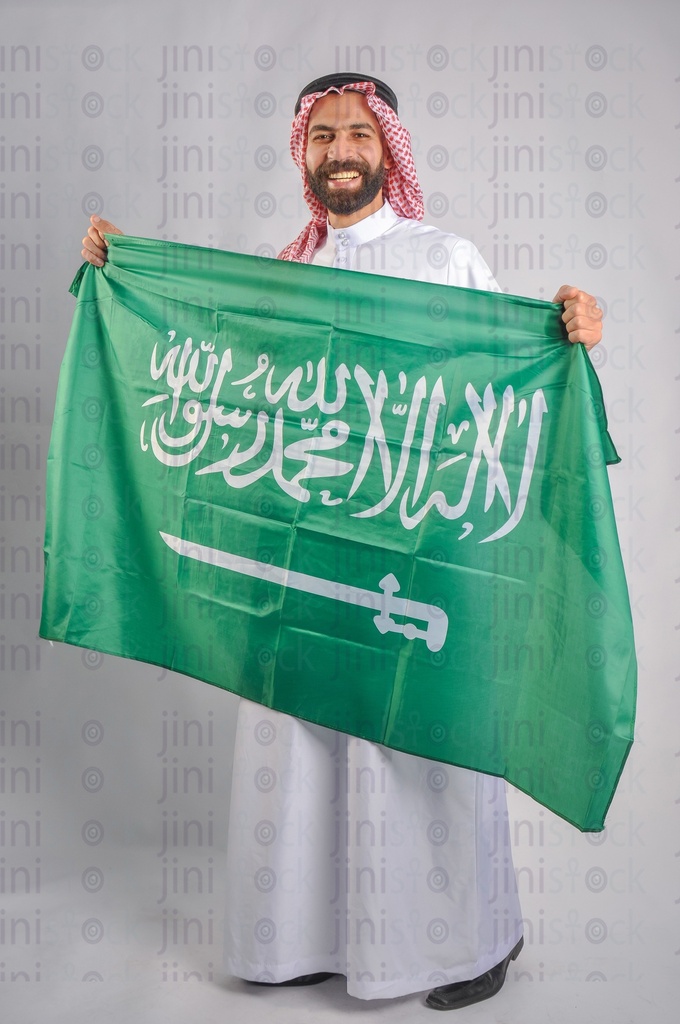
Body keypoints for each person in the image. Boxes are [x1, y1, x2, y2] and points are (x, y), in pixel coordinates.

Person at [81, 73, 603, 1010]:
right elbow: (220, 379)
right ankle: (313, 940)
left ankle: (472, 944)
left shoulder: (443, 259)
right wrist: (125, 270)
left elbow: (512, 386)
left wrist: (570, 331)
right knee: (305, 744)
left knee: (425, 752)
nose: (341, 150)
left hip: (421, 556)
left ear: (387, 146)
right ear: (304, 153)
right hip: (306, 558)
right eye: (322, 135)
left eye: (358, 132)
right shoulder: (280, 277)